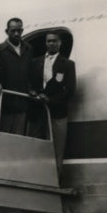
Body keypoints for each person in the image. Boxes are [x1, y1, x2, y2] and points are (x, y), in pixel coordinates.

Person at [30, 30, 76, 165]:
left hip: (58, 111)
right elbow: (30, 83)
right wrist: (34, 93)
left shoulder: (68, 64)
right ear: (45, 43)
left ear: (60, 43)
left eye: (54, 41)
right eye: (49, 41)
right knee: (36, 144)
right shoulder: (35, 62)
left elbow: (70, 90)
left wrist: (50, 100)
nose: (51, 44)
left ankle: (56, 179)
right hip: (37, 111)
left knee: (57, 147)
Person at [0, 17, 35, 135]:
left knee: (18, 137)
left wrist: (31, 89)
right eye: (13, 30)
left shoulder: (29, 49)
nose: (16, 33)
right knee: (4, 136)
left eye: (19, 30)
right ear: (6, 31)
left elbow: (31, 73)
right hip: (5, 103)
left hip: (23, 102)